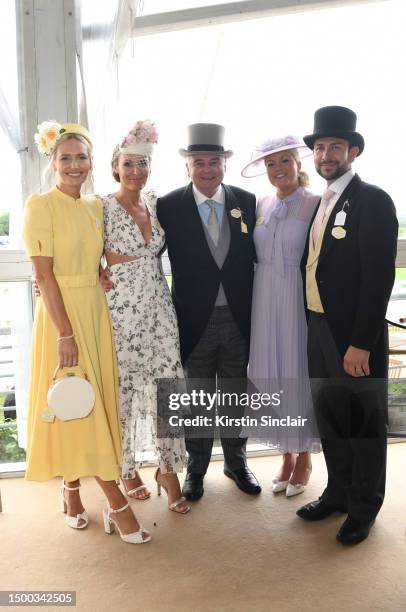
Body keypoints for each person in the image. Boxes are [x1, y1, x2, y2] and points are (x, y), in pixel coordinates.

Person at [22, 121, 150, 544]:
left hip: (95, 312)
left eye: (81, 157)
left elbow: (95, 255)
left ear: (92, 162)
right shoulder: (40, 206)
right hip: (63, 317)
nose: (74, 165)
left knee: (89, 403)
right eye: (65, 158)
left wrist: (100, 270)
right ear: (53, 163)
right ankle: (116, 504)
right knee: (75, 403)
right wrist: (64, 333)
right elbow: (45, 276)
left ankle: (72, 488)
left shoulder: (95, 206)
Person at [296, 106, 398, 544]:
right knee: (332, 417)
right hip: (318, 329)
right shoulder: (322, 201)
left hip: (353, 337)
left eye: (335, 146)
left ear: (353, 150)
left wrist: (360, 344)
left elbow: (379, 277)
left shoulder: (372, 199)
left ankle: (364, 507)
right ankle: (337, 492)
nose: (325, 154)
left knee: (362, 424)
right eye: (319, 147)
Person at [157, 123, 261, 501]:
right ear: (187, 166)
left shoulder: (246, 201)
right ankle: (196, 470)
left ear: (224, 165)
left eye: (213, 161)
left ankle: (237, 462)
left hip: (238, 319)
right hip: (192, 320)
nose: (206, 169)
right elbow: (141, 250)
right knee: (197, 400)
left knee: (235, 396)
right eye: (198, 162)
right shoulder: (167, 206)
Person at [102, 121, 189, 514]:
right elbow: (77, 250)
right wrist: (91, 271)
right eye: (129, 163)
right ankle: (127, 468)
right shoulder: (99, 206)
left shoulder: (155, 203)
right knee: (124, 390)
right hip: (120, 311)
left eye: (142, 163)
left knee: (166, 387)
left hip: (159, 306)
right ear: (115, 166)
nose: (136, 170)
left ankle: (167, 469)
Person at [241, 135, 321, 497]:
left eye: (284, 161)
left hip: (294, 297)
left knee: (294, 372)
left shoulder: (315, 204)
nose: (278, 169)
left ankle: (303, 455)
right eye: (271, 164)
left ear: (298, 164)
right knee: (268, 372)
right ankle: (286, 454)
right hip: (262, 296)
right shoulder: (260, 204)